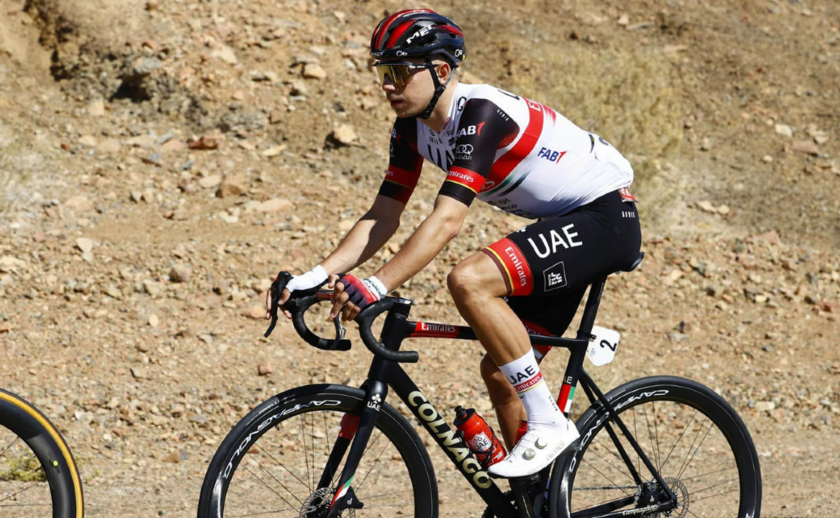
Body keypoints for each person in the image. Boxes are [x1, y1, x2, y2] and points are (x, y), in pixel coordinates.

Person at [265, 9, 641, 479]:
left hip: (604, 216)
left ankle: (549, 422)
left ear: (440, 70)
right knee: (503, 373)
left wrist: (375, 287)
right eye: (383, 72)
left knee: (470, 280)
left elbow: (447, 221)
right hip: (563, 222)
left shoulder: (481, 115)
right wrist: (317, 276)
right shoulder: (410, 127)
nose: (387, 85)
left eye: (399, 72)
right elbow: (383, 215)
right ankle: (539, 500)